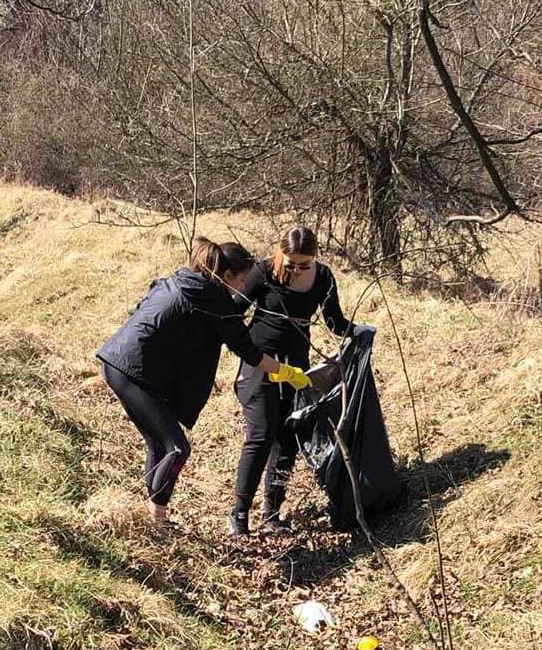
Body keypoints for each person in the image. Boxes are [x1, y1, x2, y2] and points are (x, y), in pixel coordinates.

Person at [96, 236, 309, 526]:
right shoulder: (213, 302)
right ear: (227, 275)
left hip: (118, 361)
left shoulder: (184, 281)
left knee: (159, 444)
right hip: (132, 371)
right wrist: (286, 373)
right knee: (176, 448)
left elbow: (142, 310)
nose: (244, 287)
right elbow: (249, 351)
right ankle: (157, 518)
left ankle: (152, 519)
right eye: (242, 280)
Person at [228, 226, 373, 536]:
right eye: (290, 263)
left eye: (304, 265)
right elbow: (233, 313)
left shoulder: (322, 278)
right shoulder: (264, 271)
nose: (295, 269)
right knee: (261, 433)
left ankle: (271, 512)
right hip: (260, 362)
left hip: (296, 365)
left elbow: (334, 320)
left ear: (316, 259)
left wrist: (359, 332)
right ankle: (239, 514)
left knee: (288, 437)